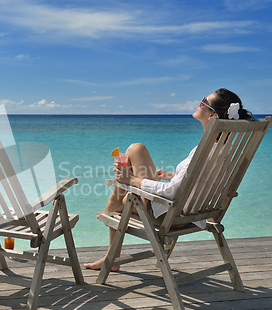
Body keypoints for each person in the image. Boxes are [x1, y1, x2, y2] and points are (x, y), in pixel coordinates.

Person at [84, 88, 254, 271]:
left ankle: (111, 238)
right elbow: (202, 181)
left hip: (172, 215)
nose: (198, 103)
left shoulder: (205, 150)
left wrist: (131, 180)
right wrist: (170, 176)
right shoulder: (224, 149)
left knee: (132, 162)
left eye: (203, 101)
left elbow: (170, 192)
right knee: (134, 156)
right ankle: (112, 213)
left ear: (212, 115)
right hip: (197, 212)